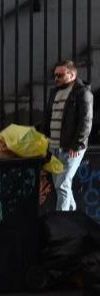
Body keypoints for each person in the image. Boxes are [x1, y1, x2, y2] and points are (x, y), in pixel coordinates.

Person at [45, 59, 94, 211]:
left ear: (72, 74)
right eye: (55, 75)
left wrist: (77, 144)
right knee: (61, 186)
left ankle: (62, 224)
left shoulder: (82, 93)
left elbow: (86, 120)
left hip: (71, 148)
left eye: (60, 75)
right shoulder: (54, 92)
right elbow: (48, 117)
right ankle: (73, 220)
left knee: (62, 184)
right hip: (54, 148)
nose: (56, 79)